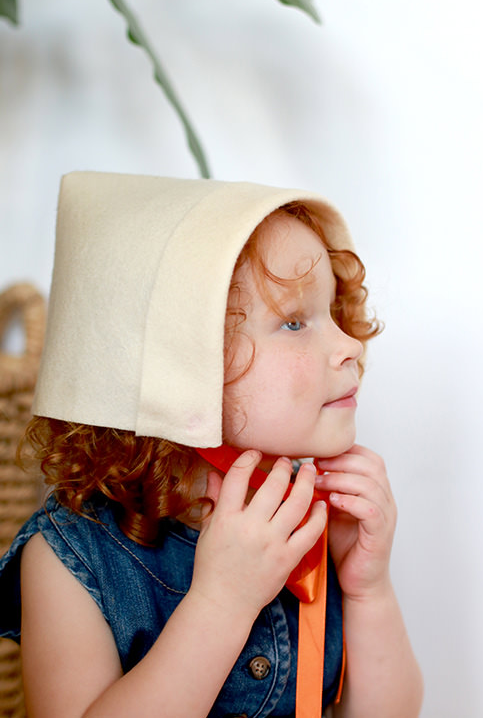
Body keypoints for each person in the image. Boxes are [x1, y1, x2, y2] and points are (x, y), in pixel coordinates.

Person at [0, 173, 423, 718]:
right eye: (295, 322)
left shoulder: (316, 522)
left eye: (334, 316)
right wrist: (222, 602)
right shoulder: (70, 558)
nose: (348, 346)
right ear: (174, 362)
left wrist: (370, 588)